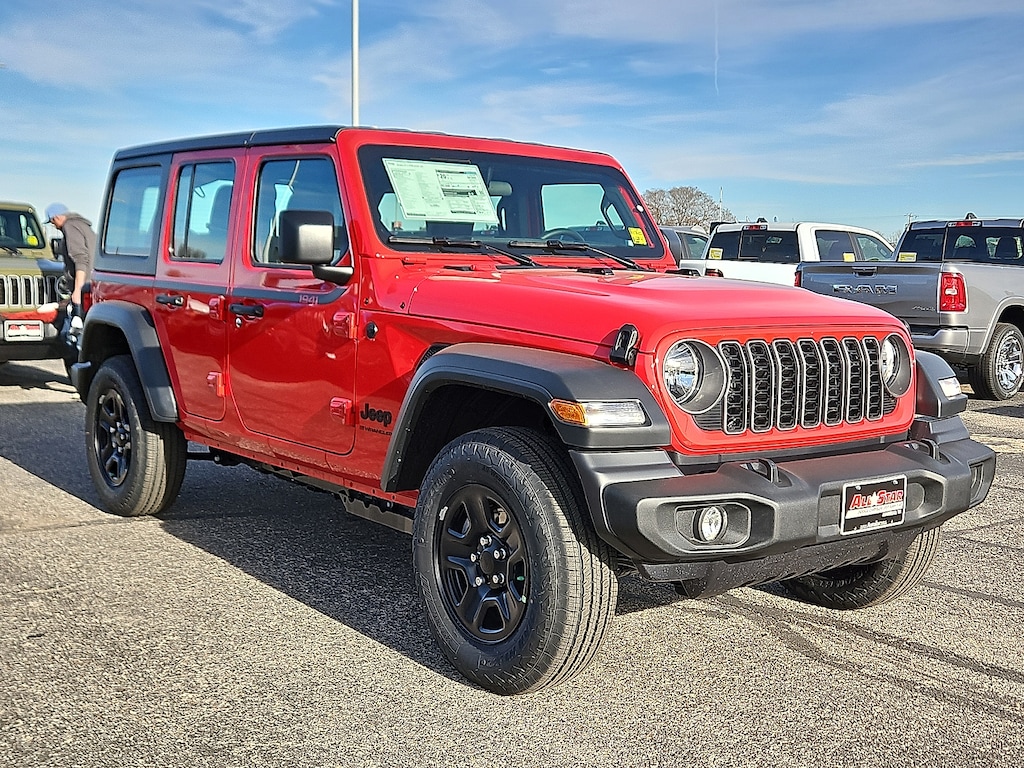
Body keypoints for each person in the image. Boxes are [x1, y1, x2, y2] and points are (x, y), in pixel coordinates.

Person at [45, 203, 95, 309]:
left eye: (52, 222)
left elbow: (80, 259)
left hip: (83, 289)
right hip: (92, 287)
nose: (54, 226)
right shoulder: (82, 226)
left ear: (56, 217)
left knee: (72, 322)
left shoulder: (70, 226)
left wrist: (78, 291)